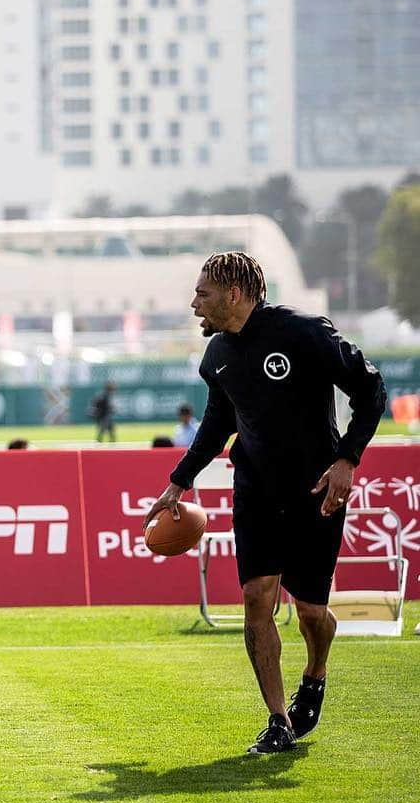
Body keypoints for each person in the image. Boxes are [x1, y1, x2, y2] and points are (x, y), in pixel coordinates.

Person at [144, 251, 386, 755]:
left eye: (202, 294)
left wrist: (347, 460)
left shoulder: (304, 332)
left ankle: (315, 672)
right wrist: (178, 481)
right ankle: (278, 721)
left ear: (234, 294)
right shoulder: (216, 357)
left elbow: (372, 389)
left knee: (312, 614)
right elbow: (218, 424)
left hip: (317, 489)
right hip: (255, 489)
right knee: (257, 596)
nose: (194, 305)